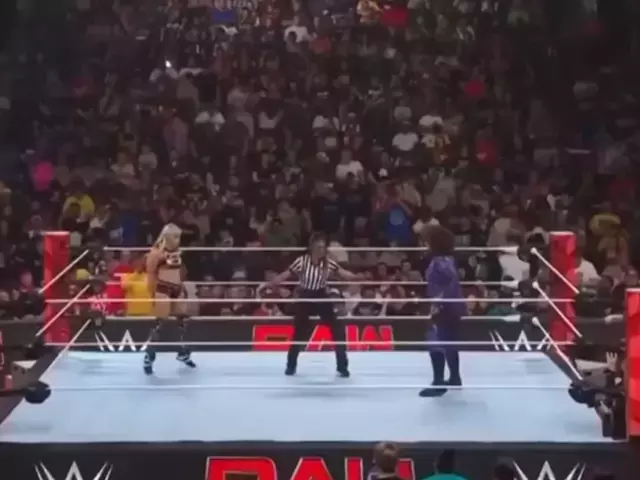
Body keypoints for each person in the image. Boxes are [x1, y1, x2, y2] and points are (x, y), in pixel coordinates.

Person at [260, 233, 360, 377]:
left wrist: (357, 277)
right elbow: (286, 274)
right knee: (299, 332)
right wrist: (272, 283)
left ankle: (342, 366)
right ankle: (291, 365)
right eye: (319, 247)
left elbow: (344, 273)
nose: (322, 250)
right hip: (306, 296)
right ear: (312, 247)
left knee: (338, 329)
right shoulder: (302, 261)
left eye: (323, 247)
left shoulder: (328, 263)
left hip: (321, 295)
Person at [419, 225, 466, 397]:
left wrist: (437, 303)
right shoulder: (446, 259)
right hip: (451, 306)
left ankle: (438, 382)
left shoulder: (441, 262)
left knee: (435, 341)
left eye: (426, 241)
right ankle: (454, 378)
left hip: (444, 307)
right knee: (449, 342)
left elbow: (449, 281)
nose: (424, 245)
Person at [143, 223, 196, 375]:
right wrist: (152, 294)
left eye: (179, 237)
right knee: (160, 323)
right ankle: (149, 356)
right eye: (175, 237)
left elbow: (180, 271)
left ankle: (182, 352)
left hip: (177, 289)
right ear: (166, 237)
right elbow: (151, 276)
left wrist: (182, 286)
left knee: (182, 320)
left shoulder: (178, 252)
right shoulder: (155, 254)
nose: (178, 240)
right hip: (162, 289)